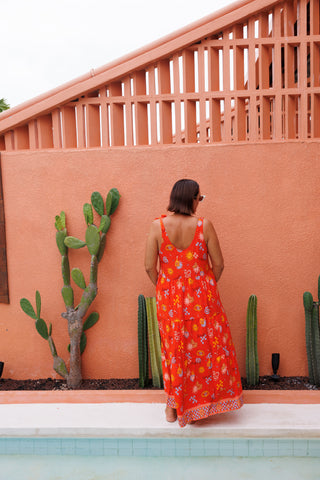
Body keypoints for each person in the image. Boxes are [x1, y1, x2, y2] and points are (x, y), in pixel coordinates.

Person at [145, 179, 243, 427]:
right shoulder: (203, 225)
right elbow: (218, 264)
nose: (200, 202)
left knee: (173, 351)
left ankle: (172, 408)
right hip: (203, 299)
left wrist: (164, 287)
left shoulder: (157, 227)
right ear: (191, 198)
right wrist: (205, 285)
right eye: (200, 197)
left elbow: (148, 266)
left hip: (169, 300)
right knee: (204, 351)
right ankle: (201, 406)